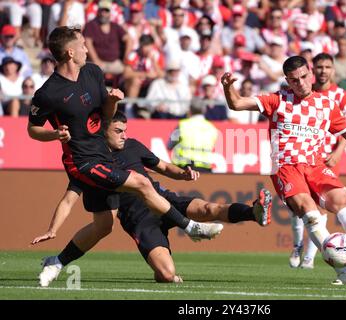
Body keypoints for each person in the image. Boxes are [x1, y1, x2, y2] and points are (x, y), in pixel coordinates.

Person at [27, 26, 223, 288]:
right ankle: (192, 228)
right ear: (70, 52)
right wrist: (54, 135)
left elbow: (107, 115)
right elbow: (32, 129)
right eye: (83, 45)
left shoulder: (92, 72)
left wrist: (113, 100)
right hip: (82, 162)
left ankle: (57, 262)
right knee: (142, 183)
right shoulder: (48, 92)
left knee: (103, 225)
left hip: (102, 156)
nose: (87, 49)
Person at [221, 56, 346, 285]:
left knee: (342, 199)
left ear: (310, 74)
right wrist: (228, 87)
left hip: (316, 165)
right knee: (310, 214)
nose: (300, 83)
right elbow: (237, 104)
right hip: (286, 167)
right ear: (287, 81)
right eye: (294, 80)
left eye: (303, 77)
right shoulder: (277, 100)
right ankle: (342, 272)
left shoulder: (327, 104)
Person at [31, 111, 272, 283]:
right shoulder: (91, 161)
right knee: (167, 275)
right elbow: (69, 198)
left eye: (125, 130)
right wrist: (53, 228)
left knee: (209, 209)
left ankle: (255, 212)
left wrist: (184, 173)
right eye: (118, 131)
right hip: (139, 219)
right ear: (103, 132)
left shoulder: (134, 146)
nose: (124, 135)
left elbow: (164, 168)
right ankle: (58, 260)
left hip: (164, 200)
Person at [289, 53, 346, 270]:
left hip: (327, 157)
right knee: (301, 205)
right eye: (319, 67)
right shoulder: (302, 92)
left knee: (321, 206)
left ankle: (309, 257)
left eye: (328, 67)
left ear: (333, 70)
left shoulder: (341, 96)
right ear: (312, 71)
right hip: (302, 154)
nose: (323, 71)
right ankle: (297, 245)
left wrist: (338, 152)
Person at [169, 97, 218, 173]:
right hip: (204, 169)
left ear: (190, 110)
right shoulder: (212, 128)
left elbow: (169, 145)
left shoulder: (181, 125)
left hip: (183, 169)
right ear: (204, 110)